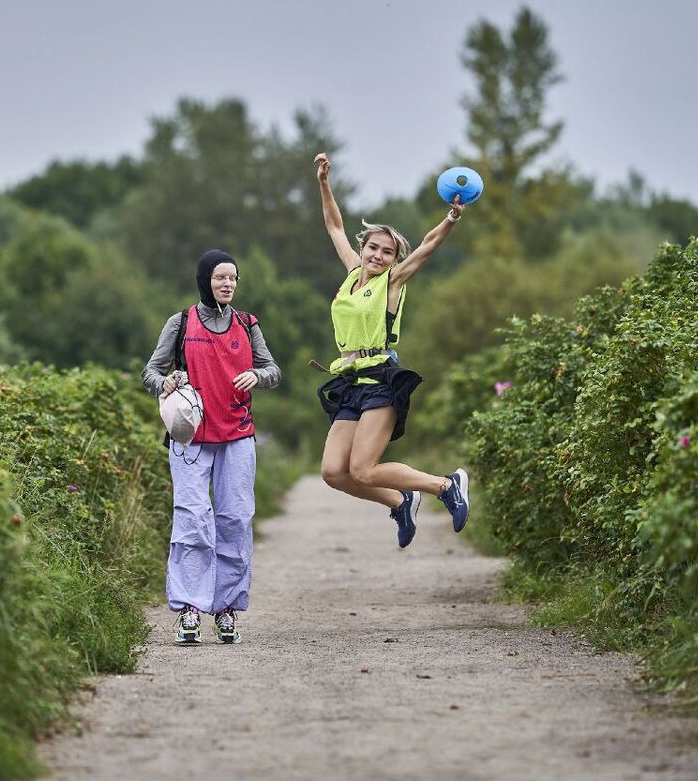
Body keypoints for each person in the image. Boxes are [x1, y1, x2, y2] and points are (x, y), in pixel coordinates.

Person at [312, 152, 470, 549]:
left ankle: (445, 485)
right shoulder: (351, 273)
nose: (378, 256)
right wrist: (324, 182)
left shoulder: (393, 283)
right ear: (363, 248)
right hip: (350, 382)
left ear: (394, 260)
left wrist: (450, 219)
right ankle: (401, 502)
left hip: (381, 380)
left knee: (363, 469)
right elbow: (334, 224)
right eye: (373, 248)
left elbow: (429, 245)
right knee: (334, 472)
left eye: (387, 252)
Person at [142, 249, 281, 645]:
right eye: (221, 277)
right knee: (192, 518)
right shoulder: (181, 322)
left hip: (237, 435)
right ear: (205, 279)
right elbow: (150, 371)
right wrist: (164, 383)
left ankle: (225, 610)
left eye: (233, 278)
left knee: (235, 519)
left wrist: (257, 374)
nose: (228, 284)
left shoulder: (247, 324)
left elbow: (273, 370)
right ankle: (188, 609)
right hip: (190, 437)